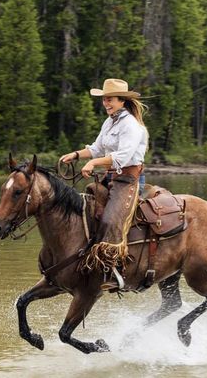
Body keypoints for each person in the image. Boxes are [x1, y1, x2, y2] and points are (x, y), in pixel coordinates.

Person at [60, 78, 148, 288]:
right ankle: (89, 255)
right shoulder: (110, 122)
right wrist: (76, 155)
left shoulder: (131, 126)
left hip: (129, 180)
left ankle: (114, 271)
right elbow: (97, 148)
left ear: (122, 101)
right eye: (105, 100)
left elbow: (123, 157)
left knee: (110, 219)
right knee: (86, 206)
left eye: (110, 99)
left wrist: (93, 163)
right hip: (112, 178)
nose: (106, 103)